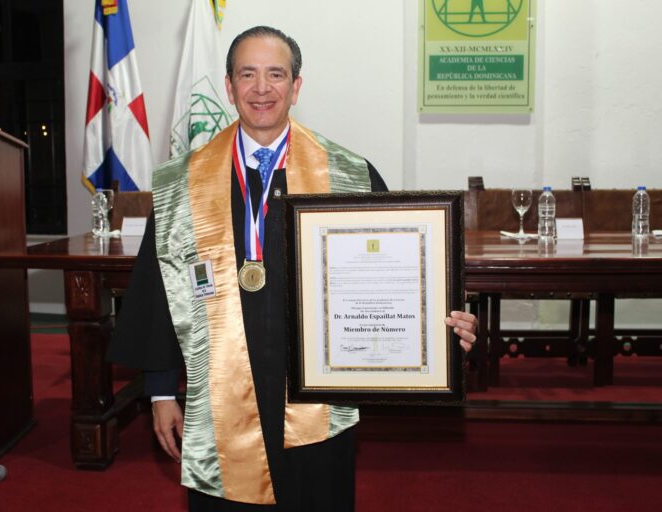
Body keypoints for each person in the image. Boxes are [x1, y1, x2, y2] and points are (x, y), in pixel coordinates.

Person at [107, 25, 478, 511]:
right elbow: (160, 288)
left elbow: (398, 276)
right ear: (229, 85)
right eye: (248, 74)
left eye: (276, 74)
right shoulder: (183, 184)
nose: (262, 88)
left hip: (316, 395)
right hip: (219, 397)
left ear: (296, 86)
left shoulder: (349, 175)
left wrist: (441, 331)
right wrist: (159, 392)